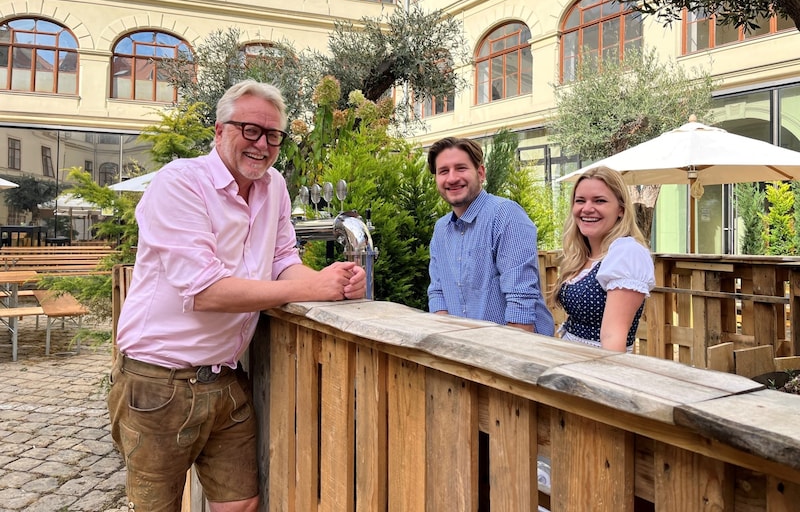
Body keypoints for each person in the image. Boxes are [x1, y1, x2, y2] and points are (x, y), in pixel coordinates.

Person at [108, 79, 366, 512]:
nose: (262, 144)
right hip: (158, 383)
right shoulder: (180, 183)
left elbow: (284, 258)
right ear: (219, 130)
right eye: (250, 129)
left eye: (273, 136)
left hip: (226, 378)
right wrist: (310, 286)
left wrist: (330, 282)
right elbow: (205, 291)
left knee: (241, 504)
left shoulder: (275, 187)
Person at [426, 136, 554, 335]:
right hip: (464, 350)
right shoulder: (441, 229)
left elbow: (520, 301)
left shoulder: (506, 216)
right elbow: (438, 293)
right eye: (444, 171)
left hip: (514, 350)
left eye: (461, 168)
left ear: (481, 173)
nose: (452, 178)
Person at [551, 165, 655, 352]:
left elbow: (612, 337)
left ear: (621, 210)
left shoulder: (627, 253)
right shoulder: (582, 256)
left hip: (597, 365)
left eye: (599, 201)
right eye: (580, 200)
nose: (587, 208)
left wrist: (604, 379)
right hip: (569, 361)